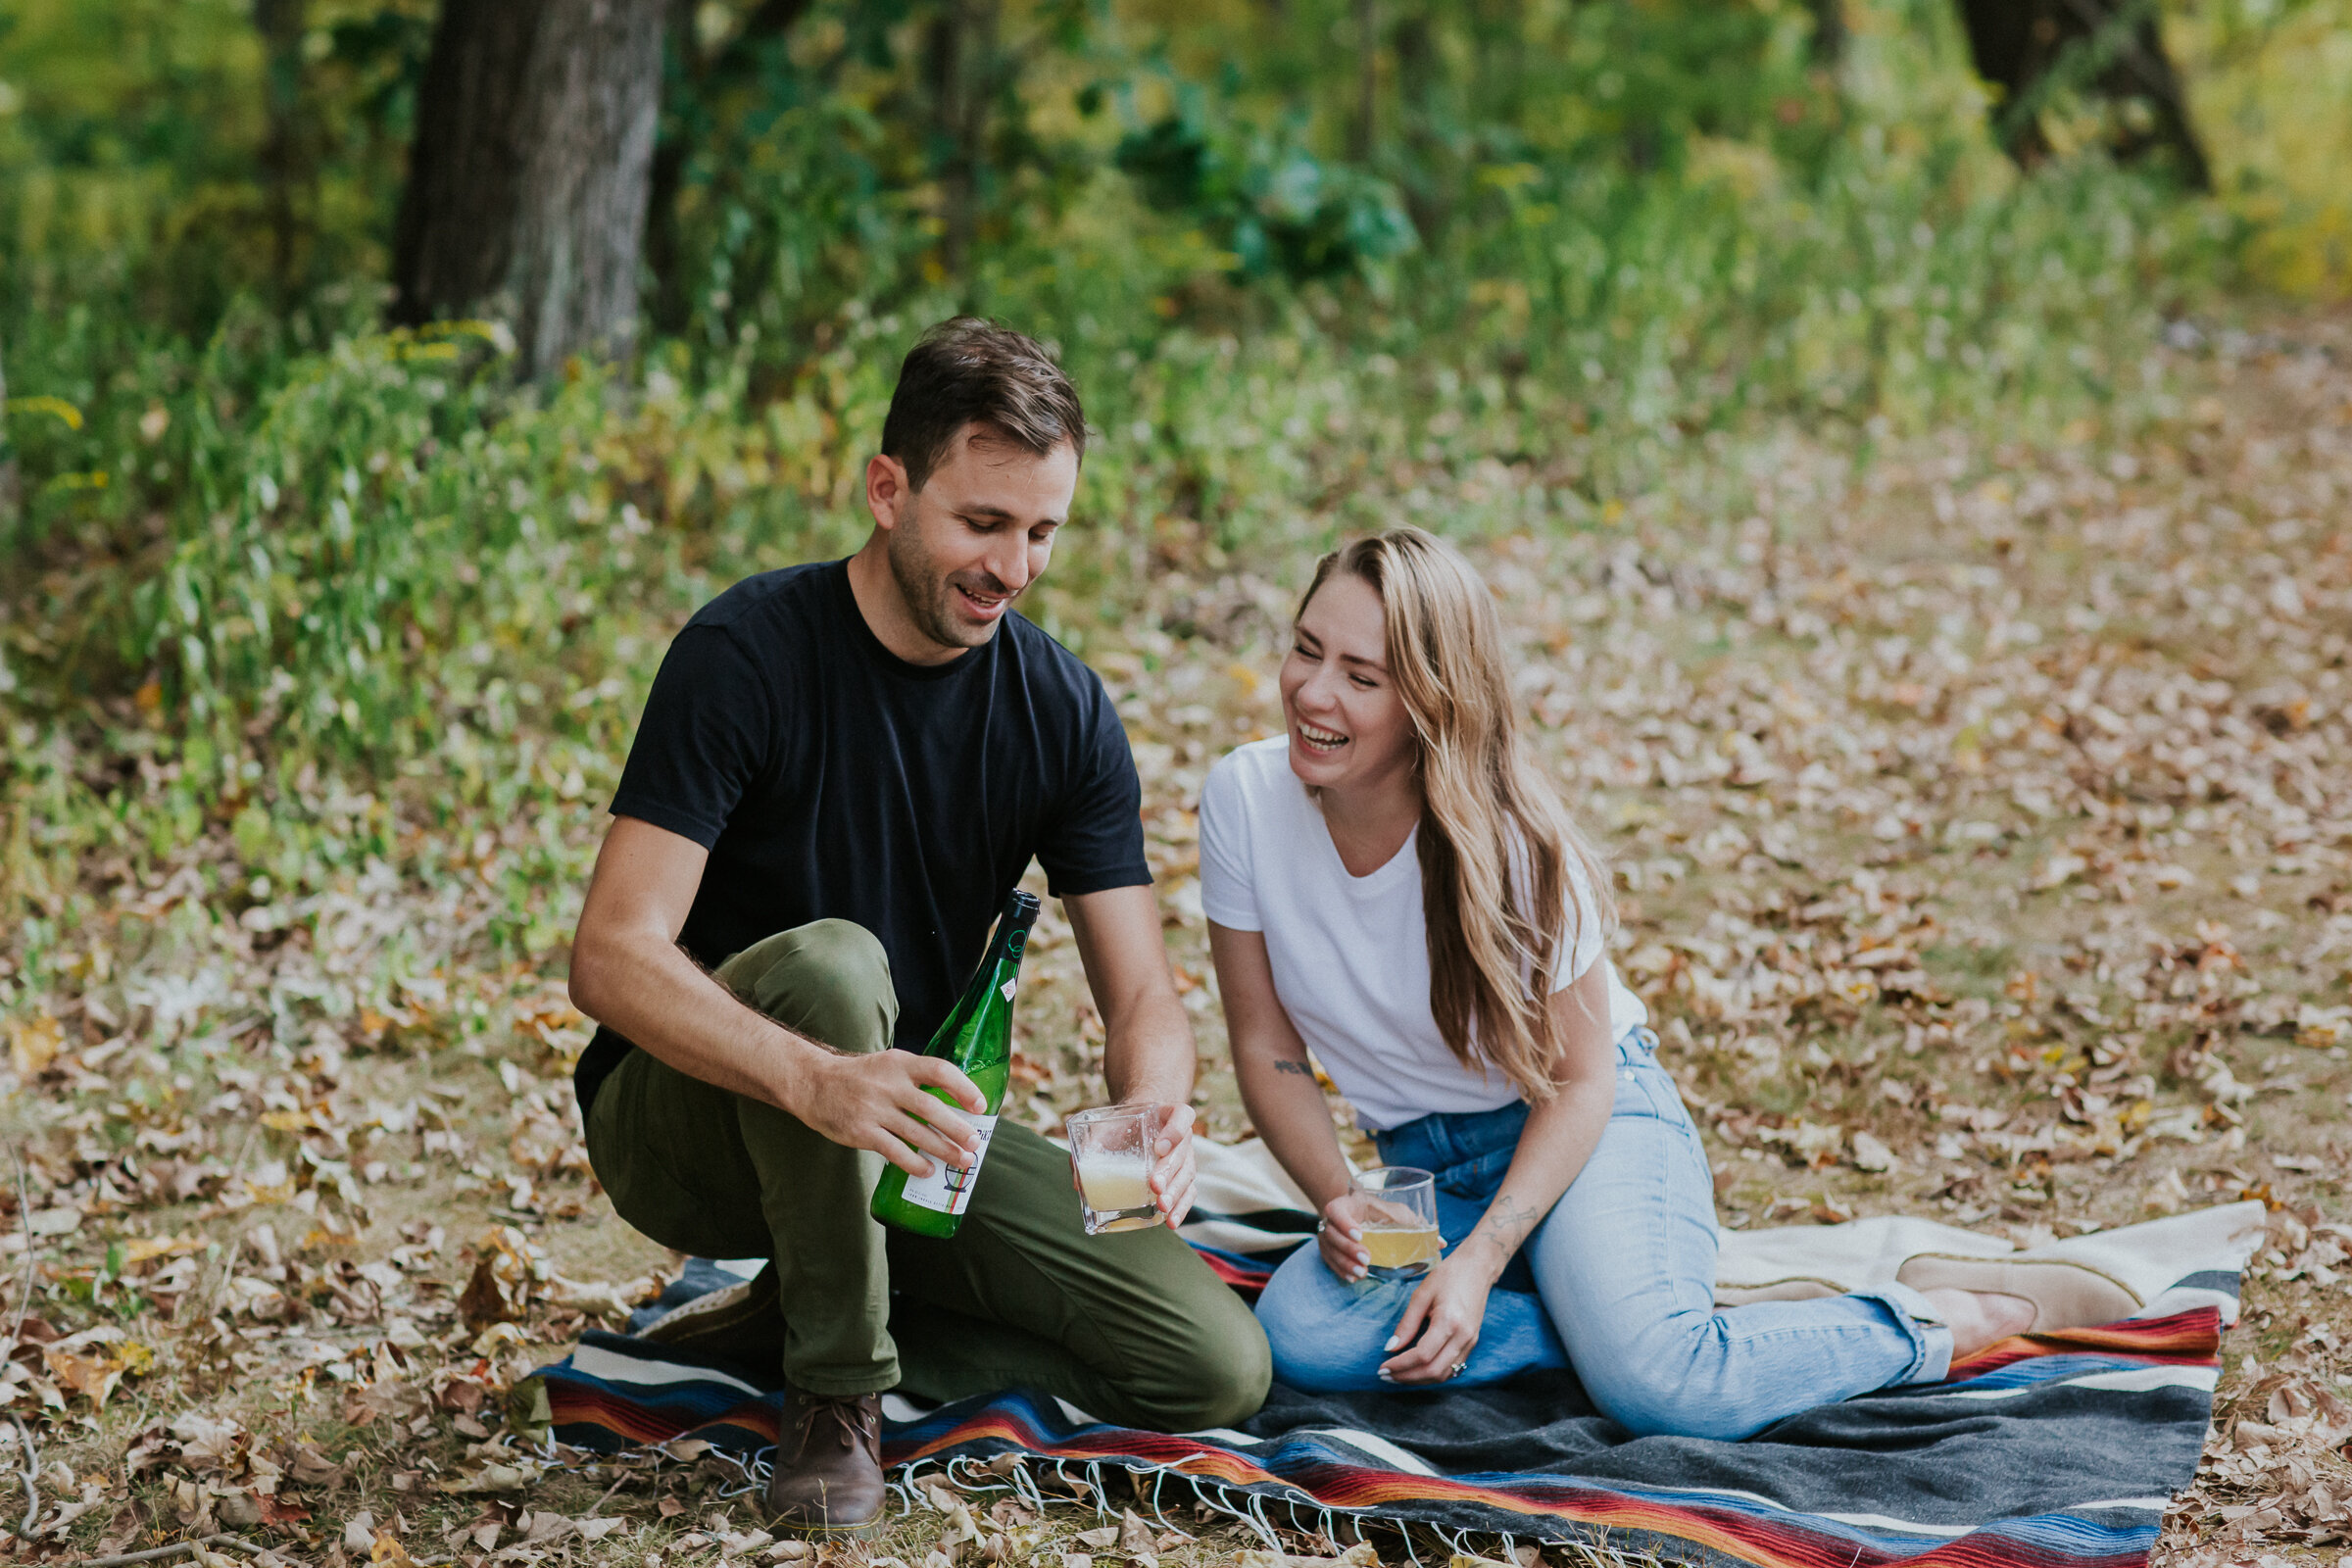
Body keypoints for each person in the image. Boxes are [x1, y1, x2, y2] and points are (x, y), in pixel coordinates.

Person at [567, 319, 1269, 1535]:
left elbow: (1144, 994)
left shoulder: (1061, 708)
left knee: (1214, 1366)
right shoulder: (744, 655)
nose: (1016, 567)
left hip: (907, 1135)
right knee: (838, 965)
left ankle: (809, 1307)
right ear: (888, 490)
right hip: (688, 1123)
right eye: (983, 524)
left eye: (1043, 531)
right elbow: (611, 954)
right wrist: (815, 1079)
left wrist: (1150, 1106)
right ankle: (836, 1394)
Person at [1200, 527, 2041, 1441]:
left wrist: (1479, 1261)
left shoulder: (1519, 848)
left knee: (1665, 1389)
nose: (1313, 693)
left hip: (1588, 1127)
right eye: (1305, 649)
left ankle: (1916, 1326)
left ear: (1430, 703)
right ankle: (1594, 1323)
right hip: (1427, 1168)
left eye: (1361, 677)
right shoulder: (1244, 800)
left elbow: (1582, 1078)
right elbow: (1266, 1044)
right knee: (1301, 1332)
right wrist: (1338, 1200)